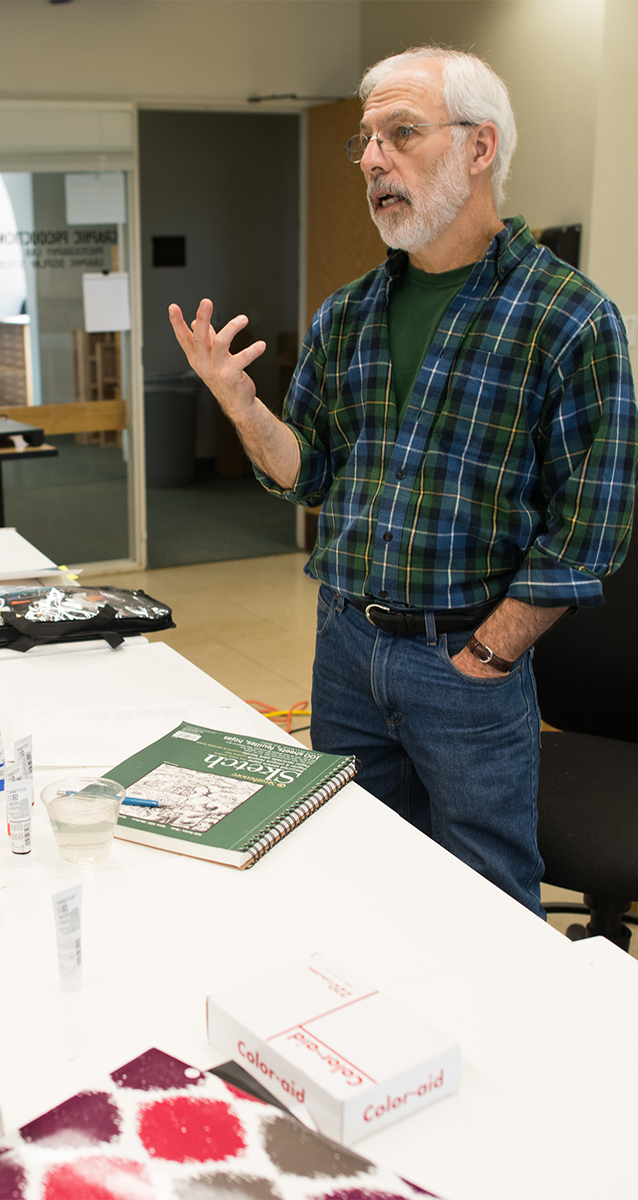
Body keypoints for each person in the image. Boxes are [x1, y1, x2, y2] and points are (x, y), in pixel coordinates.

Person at [170, 46, 636, 915]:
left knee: (485, 902)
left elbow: (589, 530)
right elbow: (306, 475)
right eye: (365, 142)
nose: (374, 159)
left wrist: (488, 654)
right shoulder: (347, 314)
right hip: (346, 646)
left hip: (465, 660)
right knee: (357, 885)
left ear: (480, 148)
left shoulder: (568, 318)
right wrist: (240, 404)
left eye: (401, 133)